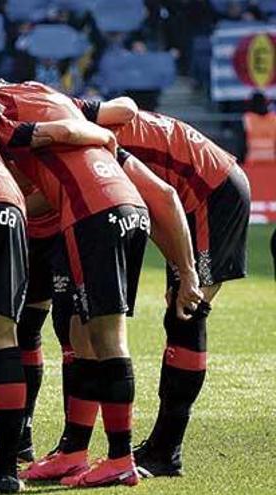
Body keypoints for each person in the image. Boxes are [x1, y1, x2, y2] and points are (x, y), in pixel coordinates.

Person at [0, 71, 200, 488]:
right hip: (128, 210)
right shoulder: (48, 96)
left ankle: (120, 458)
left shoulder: (3, 117)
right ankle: (75, 452)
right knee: (82, 334)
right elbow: (163, 195)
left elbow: (52, 130)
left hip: (91, 216)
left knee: (106, 338)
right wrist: (186, 270)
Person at [91, 109, 251, 477]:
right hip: (190, 195)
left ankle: (167, 450)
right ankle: (162, 446)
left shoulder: (94, 142)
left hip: (212, 193)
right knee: (178, 308)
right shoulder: (93, 123)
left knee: (187, 312)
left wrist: (185, 270)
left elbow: (159, 198)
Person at [242, 92, 276, 167]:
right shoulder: (274, 118)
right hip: (272, 162)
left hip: (253, 162)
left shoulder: (247, 118)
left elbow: (242, 142)